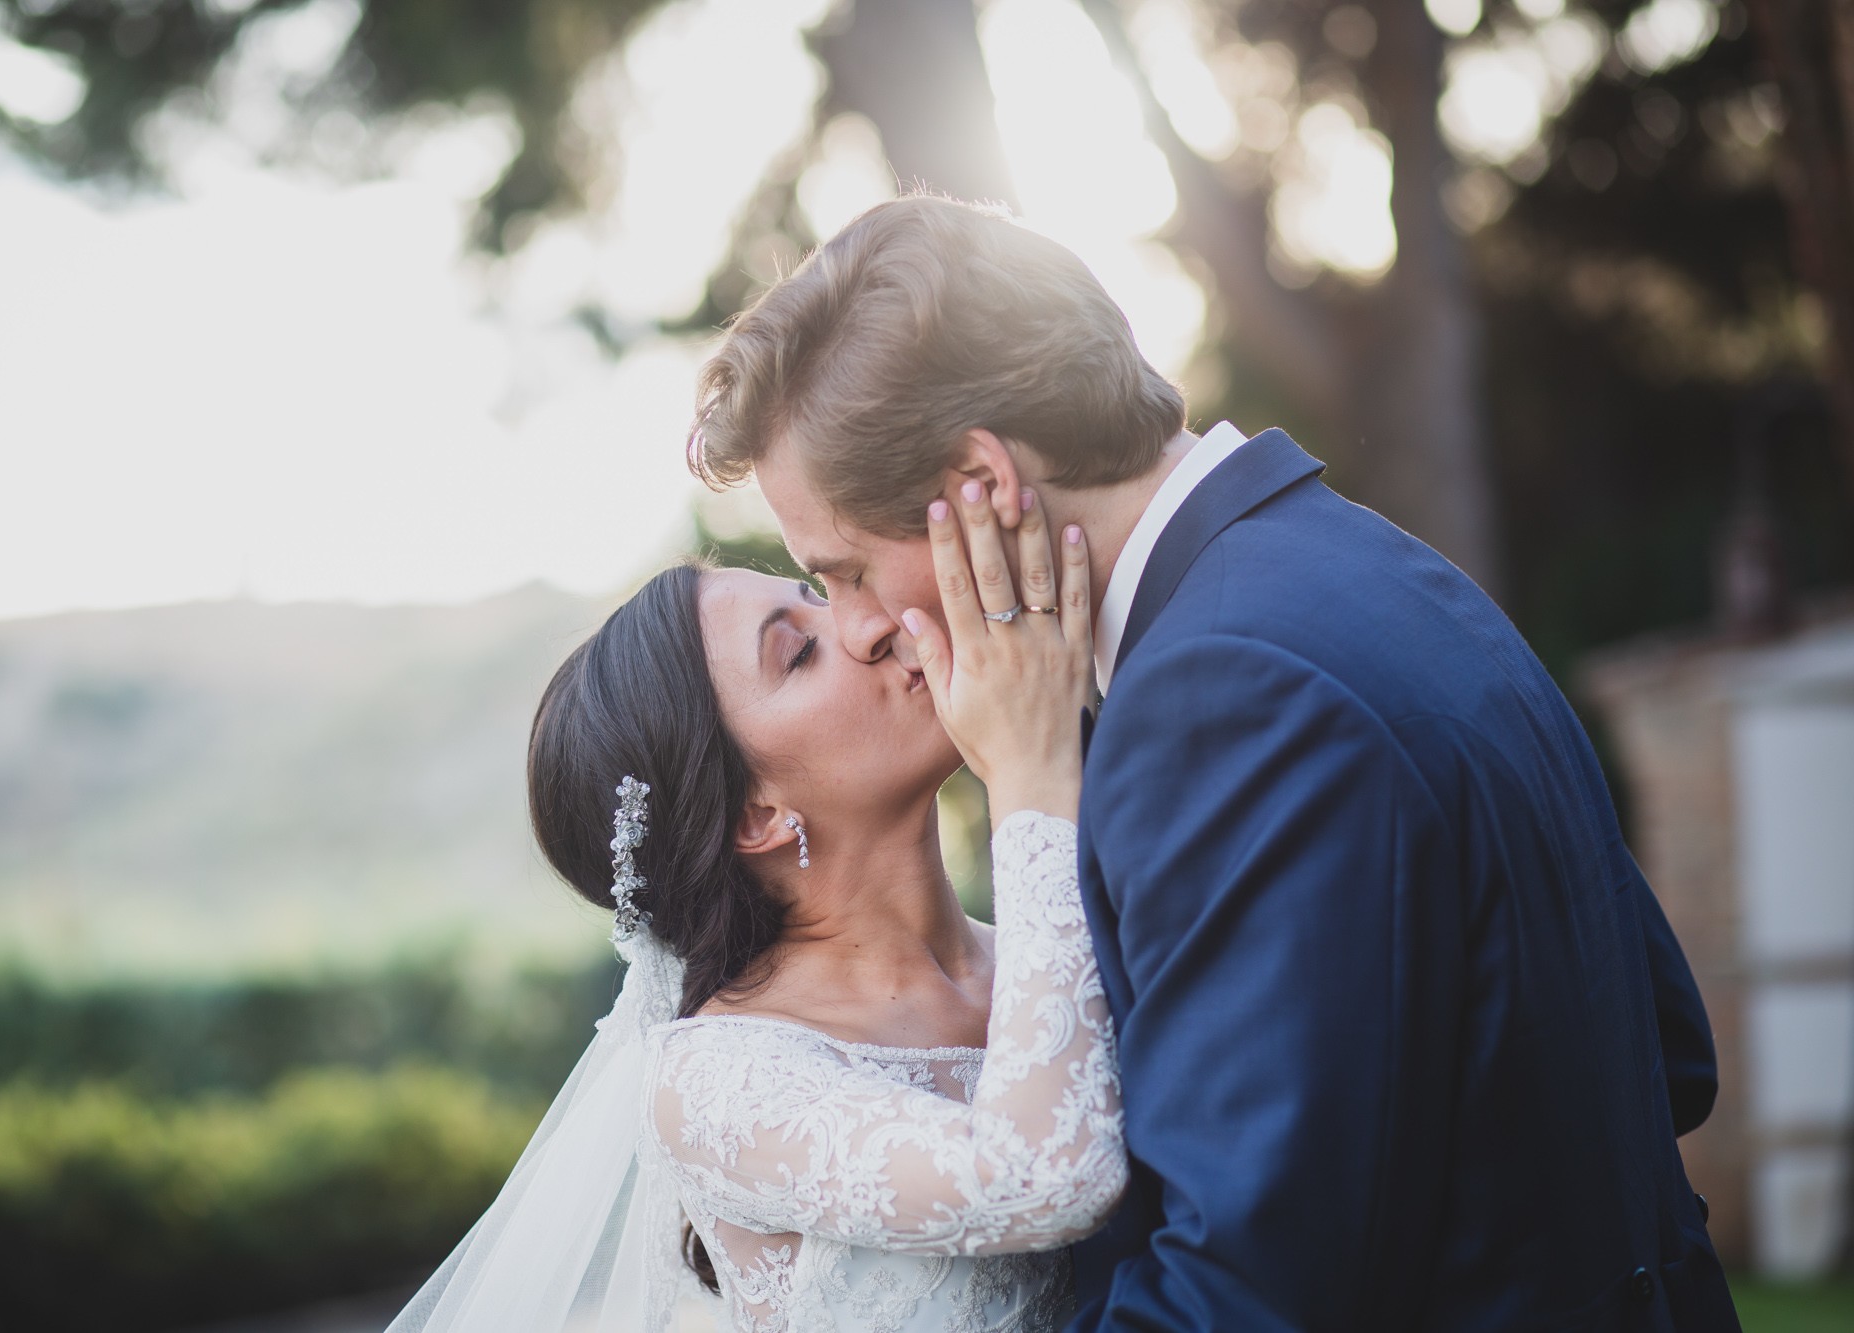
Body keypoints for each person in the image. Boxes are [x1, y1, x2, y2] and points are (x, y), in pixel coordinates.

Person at [686, 194, 1743, 1332]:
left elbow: (1241, 1299)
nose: (856, 626)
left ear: (980, 487)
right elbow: (1665, 1051)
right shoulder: (1376, 566)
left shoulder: (1217, 700)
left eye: (845, 570)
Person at [388, 489, 1123, 1331]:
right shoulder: (715, 1082)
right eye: (799, 653)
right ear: (755, 816)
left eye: (818, 594)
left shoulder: (1049, 937)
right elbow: (1047, 1172)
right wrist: (1032, 777)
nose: (867, 624)